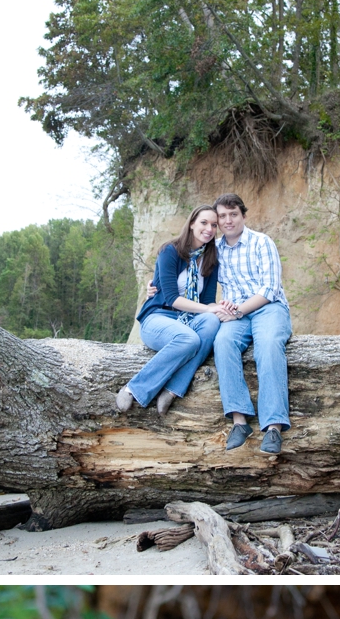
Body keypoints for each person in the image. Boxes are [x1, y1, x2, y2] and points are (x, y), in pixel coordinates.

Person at [117, 206, 227, 418]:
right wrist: (208, 309)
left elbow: (207, 302)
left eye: (214, 225)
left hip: (188, 319)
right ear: (192, 223)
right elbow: (171, 299)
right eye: (204, 222)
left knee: (212, 323)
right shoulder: (170, 251)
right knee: (189, 339)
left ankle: (173, 389)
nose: (209, 228)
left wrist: (221, 309)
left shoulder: (211, 259)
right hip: (158, 317)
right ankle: (134, 388)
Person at [211, 193, 292, 456]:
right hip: (236, 312)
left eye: (233, 214)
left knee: (268, 345)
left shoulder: (261, 242)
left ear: (243, 216)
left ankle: (273, 427)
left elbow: (269, 289)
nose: (228, 220)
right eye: (222, 216)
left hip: (268, 308)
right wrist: (154, 287)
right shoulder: (216, 250)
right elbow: (184, 266)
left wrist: (238, 312)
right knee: (222, 342)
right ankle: (240, 421)